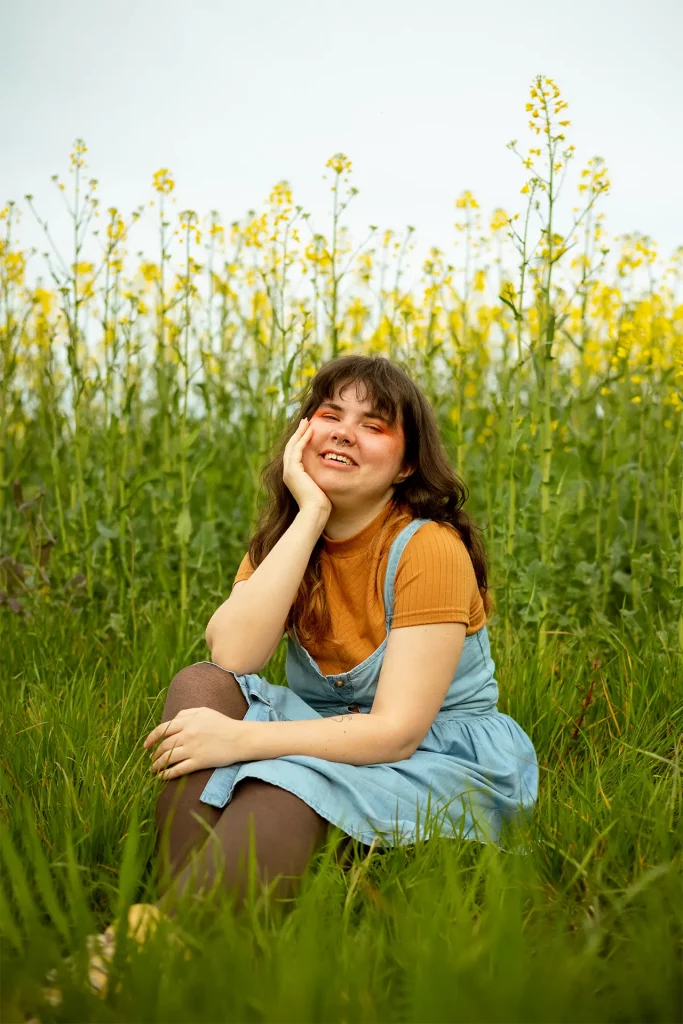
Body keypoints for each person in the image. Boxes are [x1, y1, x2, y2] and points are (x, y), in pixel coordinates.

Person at [60, 354, 538, 999]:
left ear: (404, 466)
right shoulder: (287, 539)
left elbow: (396, 733)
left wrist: (243, 743)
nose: (343, 430)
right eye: (329, 414)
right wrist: (310, 512)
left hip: (437, 754)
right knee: (201, 687)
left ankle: (160, 942)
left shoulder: (429, 547)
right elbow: (231, 654)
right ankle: (188, 919)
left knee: (283, 781)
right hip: (330, 733)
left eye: (373, 424)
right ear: (301, 435)